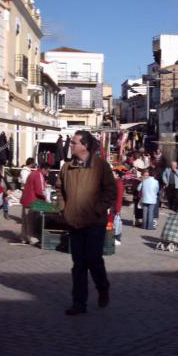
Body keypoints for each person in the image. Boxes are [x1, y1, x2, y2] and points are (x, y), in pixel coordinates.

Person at [56, 130, 116, 316]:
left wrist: (98, 209)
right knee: (79, 264)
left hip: (94, 222)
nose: (71, 145)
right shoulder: (67, 167)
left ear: (85, 146)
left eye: (74, 143)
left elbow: (111, 192)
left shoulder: (101, 166)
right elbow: (59, 189)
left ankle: (102, 286)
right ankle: (79, 303)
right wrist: (63, 208)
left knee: (93, 259)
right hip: (74, 222)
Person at [19, 162, 49, 245]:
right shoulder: (39, 175)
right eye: (47, 171)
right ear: (43, 169)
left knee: (25, 220)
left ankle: (24, 237)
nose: (47, 173)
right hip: (32, 200)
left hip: (26, 199)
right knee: (31, 221)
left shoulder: (32, 173)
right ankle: (31, 238)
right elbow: (40, 191)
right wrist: (45, 199)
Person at [113, 172, 124, 245]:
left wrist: (117, 209)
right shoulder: (115, 181)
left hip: (115, 206)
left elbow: (119, 197)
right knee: (115, 223)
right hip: (113, 205)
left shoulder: (118, 183)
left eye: (113, 173)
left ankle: (117, 238)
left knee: (116, 223)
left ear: (117, 175)